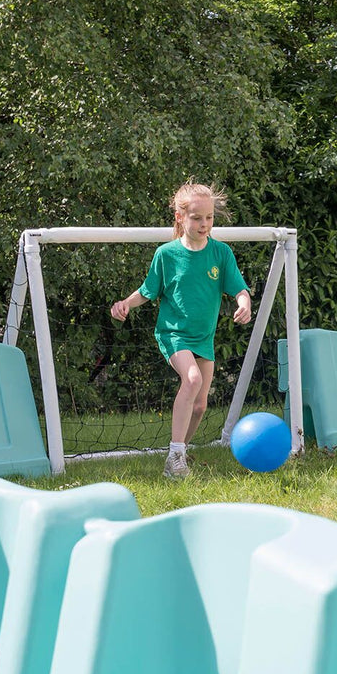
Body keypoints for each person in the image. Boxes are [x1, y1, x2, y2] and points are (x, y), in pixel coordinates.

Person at [111, 181, 251, 479]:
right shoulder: (166, 255)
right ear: (180, 217)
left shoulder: (221, 253)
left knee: (200, 406)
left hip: (204, 339)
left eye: (209, 218)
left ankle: (177, 458)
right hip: (173, 334)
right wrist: (126, 303)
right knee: (192, 379)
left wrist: (245, 302)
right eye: (197, 218)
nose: (204, 224)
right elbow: (148, 291)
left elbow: (239, 288)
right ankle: (176, 455)